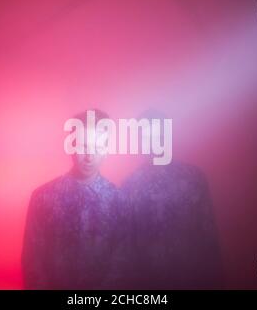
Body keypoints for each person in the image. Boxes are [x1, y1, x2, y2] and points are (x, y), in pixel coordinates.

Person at [120, 110, 224, 289]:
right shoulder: (130, 185)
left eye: (157, 135)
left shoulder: (193, 178)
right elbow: (128, 243)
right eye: (146, 137)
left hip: (194, 279)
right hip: (149, 283)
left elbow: (208, 234)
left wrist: (216, 277)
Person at [21, 109, 122, 289]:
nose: (89, 156)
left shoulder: (118, 200)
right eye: (83, 146)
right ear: (72, 147)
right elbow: (32, 262)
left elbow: (121, 264)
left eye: (97, 147)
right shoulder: (43, 197)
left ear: (106, 150)